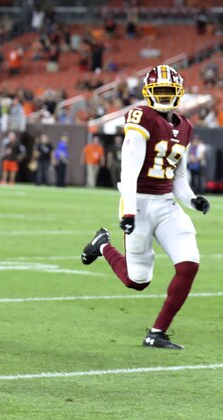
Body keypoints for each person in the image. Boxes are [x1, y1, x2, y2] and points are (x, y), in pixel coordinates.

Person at [81, 65, 210, 349]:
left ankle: (157, 332)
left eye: (169, 92)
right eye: (159, 91)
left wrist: (192, 200)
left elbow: (178, 178)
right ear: (148, 93)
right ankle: (103, 245)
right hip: (138, 202)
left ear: (178, 93)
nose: (164, 97)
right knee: (137, 281)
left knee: (189, 264)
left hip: (166, 205)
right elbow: (128, 171)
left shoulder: (185, 126)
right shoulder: (141, 117)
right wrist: (127, 211)